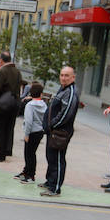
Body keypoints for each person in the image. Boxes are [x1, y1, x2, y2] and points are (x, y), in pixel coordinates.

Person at [40, 66, 80, 197]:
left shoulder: (71, 92)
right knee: (51, 157)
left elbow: (66, 113)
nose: (63, 78)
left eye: (67, 75)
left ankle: (55, 188)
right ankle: (50, 182)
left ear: (73, 77)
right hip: (54, 131)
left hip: (60, 132)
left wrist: (52, 125)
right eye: (62, 75)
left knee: (57, 159)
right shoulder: (63, 89)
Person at [0, 52, 22, 162]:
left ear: (1, 60)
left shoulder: (2, 71)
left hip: (1, 104)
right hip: (13, 103)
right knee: (9, 128)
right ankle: (6, 149)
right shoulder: (17, 71)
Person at [15, 83, 46, 184]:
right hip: (40, 131)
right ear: (41, 94)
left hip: (31, 132)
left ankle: (30, 175)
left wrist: (26, 134)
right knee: (31, 153)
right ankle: (26, 171)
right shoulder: (44, 105)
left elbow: (28, 121)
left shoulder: (30, 105)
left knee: (29, 154)